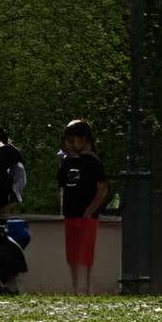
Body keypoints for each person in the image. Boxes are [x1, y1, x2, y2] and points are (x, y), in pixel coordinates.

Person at [56, 120, 107, 294]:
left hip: (86, 216)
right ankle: (75, 287)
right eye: (68, 141)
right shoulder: (66, 162)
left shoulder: (93, 162)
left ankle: (85, 288)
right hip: (71, 214)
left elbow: (102, 189)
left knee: (85, 253)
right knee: (72, 254)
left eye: (73, 140)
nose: (70, 144)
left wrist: (89, 211)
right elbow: (62, 187)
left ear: (84, 139)